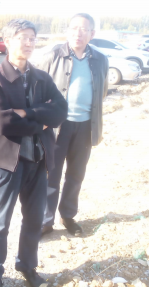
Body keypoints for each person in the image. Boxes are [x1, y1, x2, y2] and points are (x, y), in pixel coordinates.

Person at [0, 19, 67, 287]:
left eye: (32, 38)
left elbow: (60, 111)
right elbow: (2, 123)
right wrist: (41, 121)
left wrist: (27, 113)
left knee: (34, 218)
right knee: (1, 220)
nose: (29, 43)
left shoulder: (42, 77)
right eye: (22, 37)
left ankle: (27, 265)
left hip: (38, 158)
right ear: (8, 41)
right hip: (9, 161)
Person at [38, 13, 108, 237]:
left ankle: (68, 215)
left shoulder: (100, 59)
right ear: (68, 31)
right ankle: (45, 220)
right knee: (51, 174)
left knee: (76, 174)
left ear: (92, 34)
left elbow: (102, 91)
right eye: (74, 28)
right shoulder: (52, 56)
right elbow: (37, 90)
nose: (78, 33)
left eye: (84, 29)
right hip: (57, 127)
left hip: (85, 126)